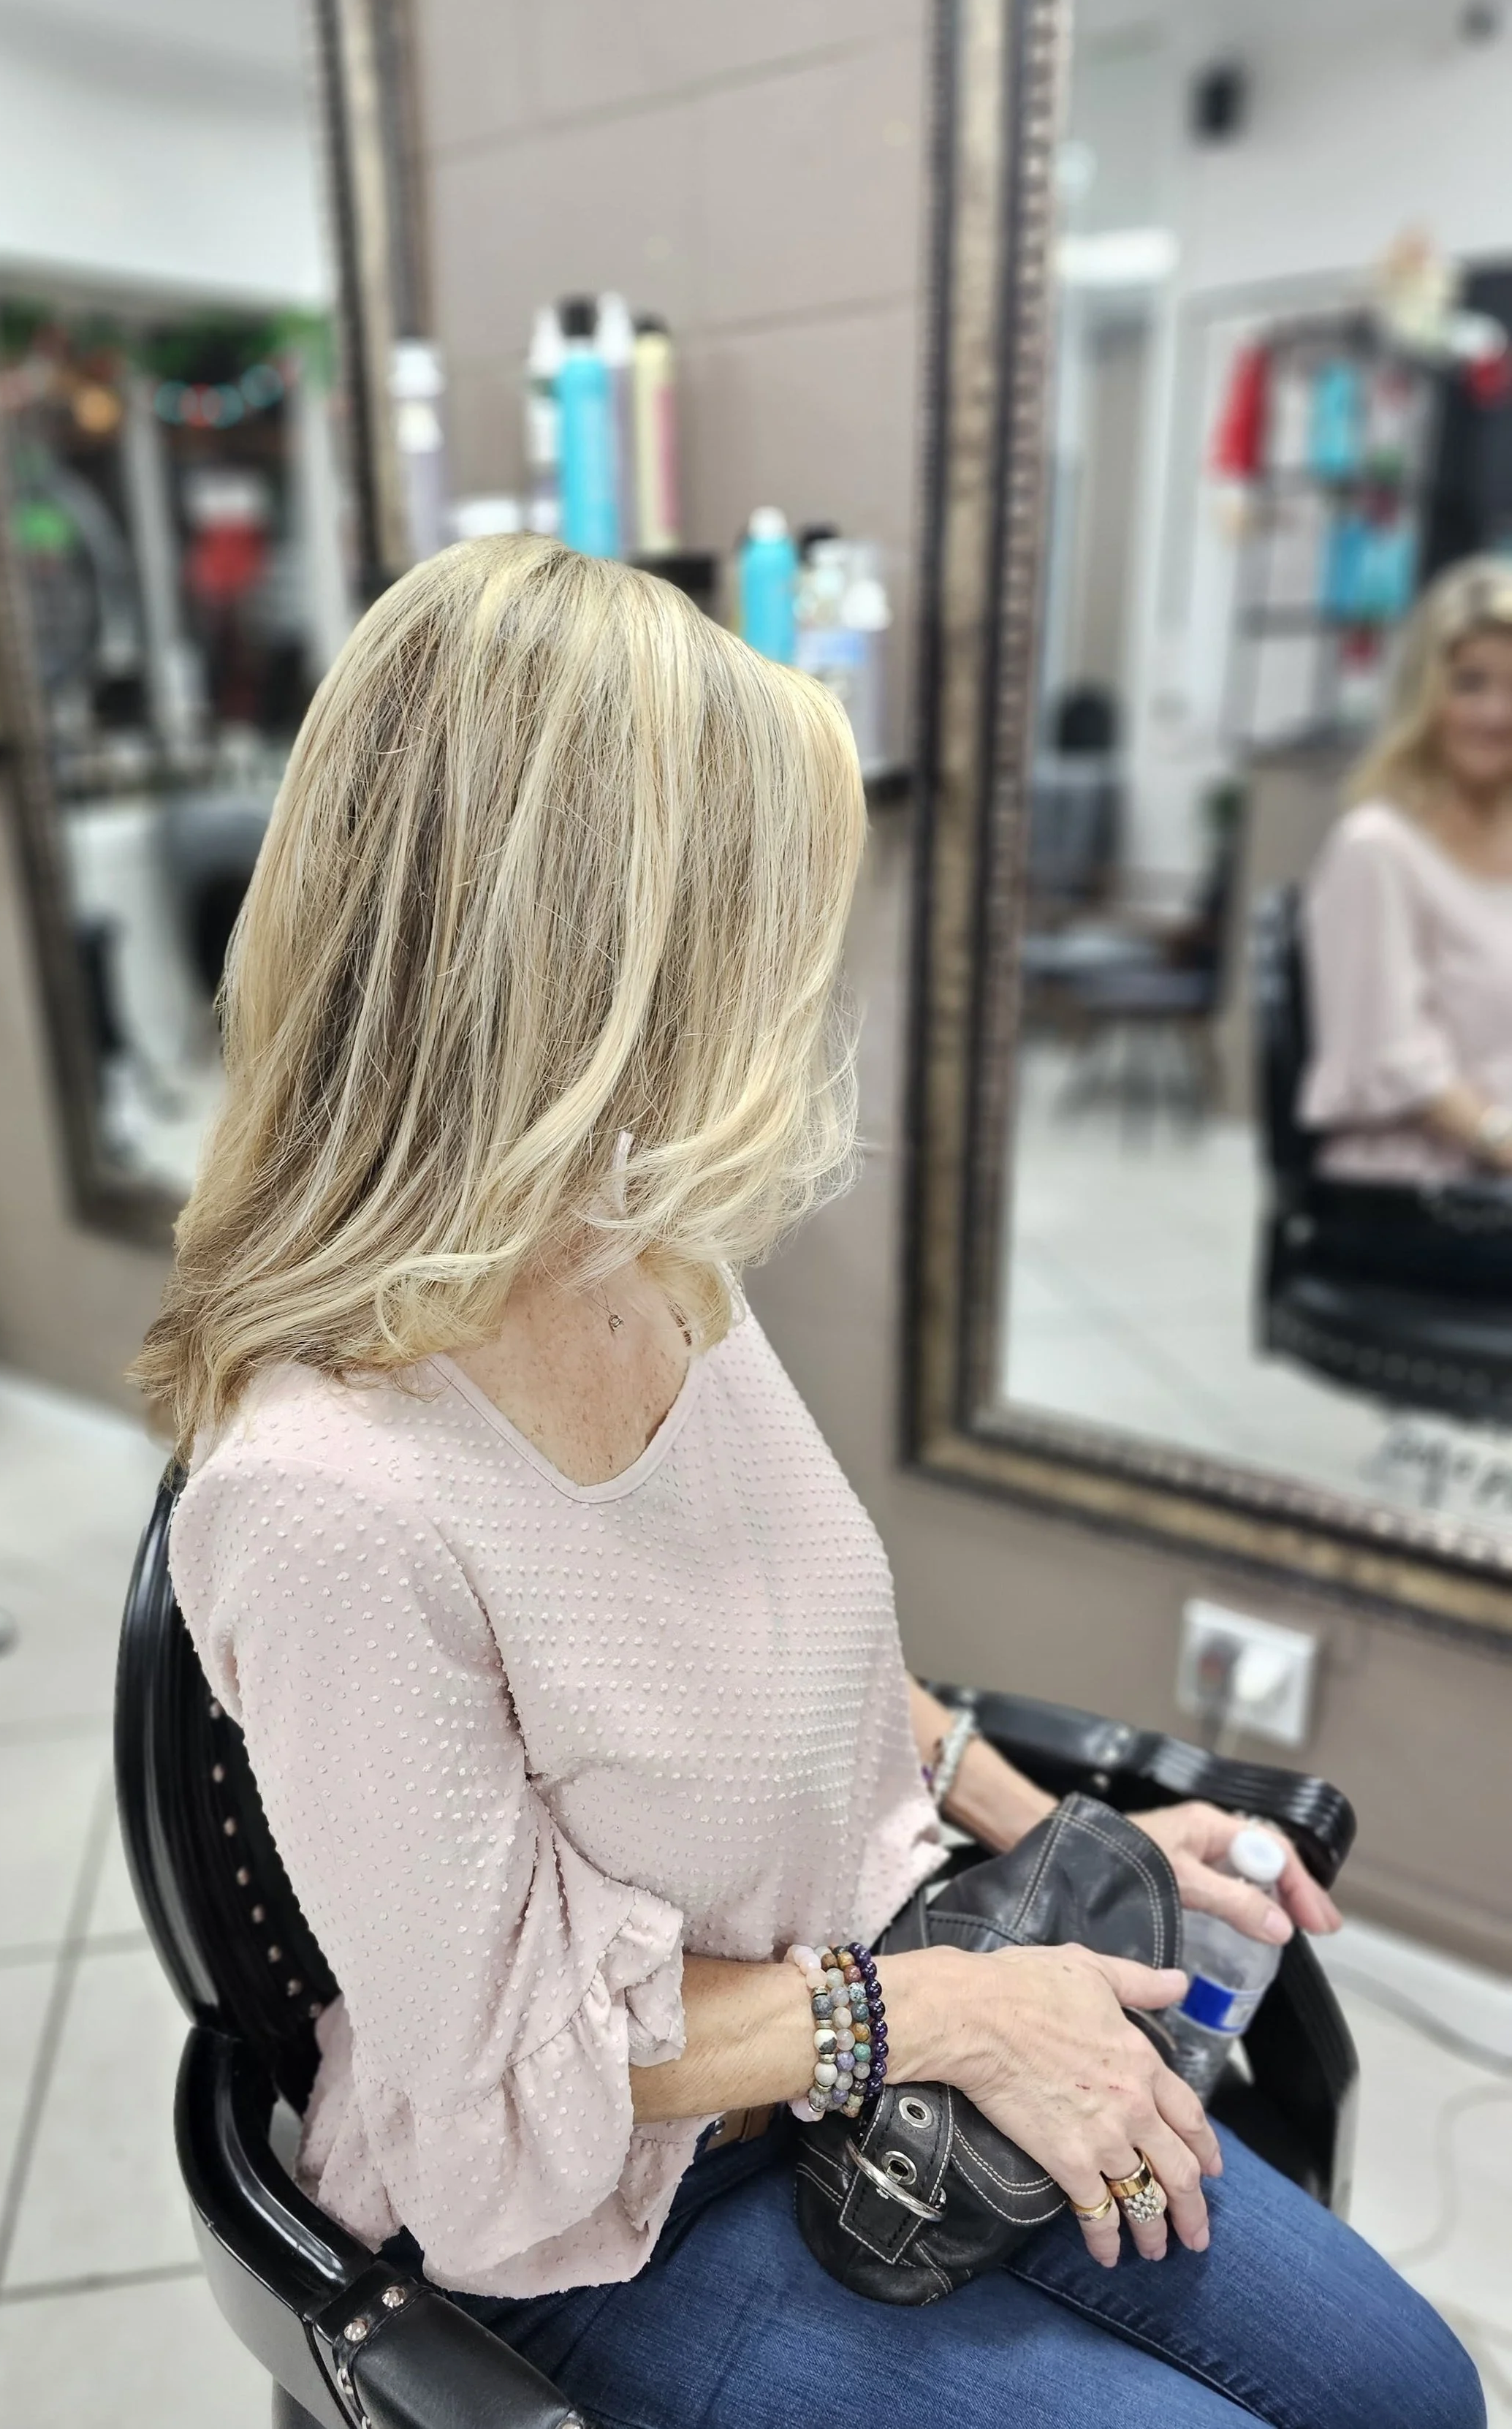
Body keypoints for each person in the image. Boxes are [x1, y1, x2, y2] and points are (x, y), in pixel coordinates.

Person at [141, 537, 1481, 2429]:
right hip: (616, 2195)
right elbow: (504, 2057)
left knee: (1412, 2390)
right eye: (746, 917)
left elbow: (821, 1680)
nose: (784, 980)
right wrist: (933, 2017)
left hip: (882, 1992)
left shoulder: (648, 1256)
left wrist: (1042, 1836)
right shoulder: (323, 1499)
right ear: (581, 951)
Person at [1300, 556, 1512, 1292]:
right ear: (1425, 695)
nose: (1496, 713)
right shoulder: (1375, 849)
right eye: (1470, 683)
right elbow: (1393, 1060)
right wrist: (1501, 1139)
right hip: (1415, 1193)